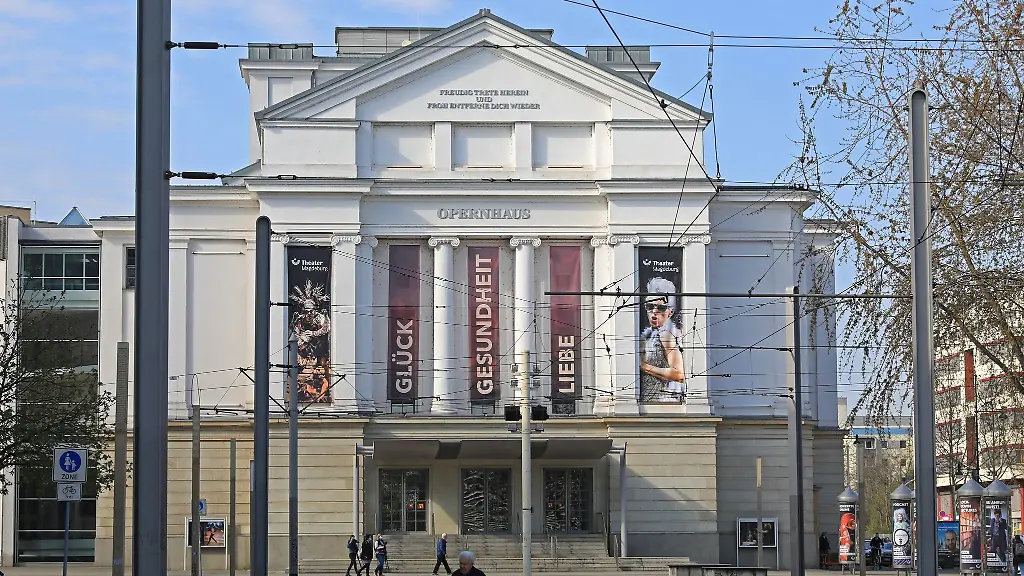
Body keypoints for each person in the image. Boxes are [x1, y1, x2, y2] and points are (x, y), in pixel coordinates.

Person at [639, 277, 686, 402]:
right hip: (651, 401)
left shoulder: (667, 334)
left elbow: (679, 374)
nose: (654, 312)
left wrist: (644, 367)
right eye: (650, 306)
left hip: (662, 401)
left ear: (670, 312)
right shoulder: (650, 333)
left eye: (661, 308)